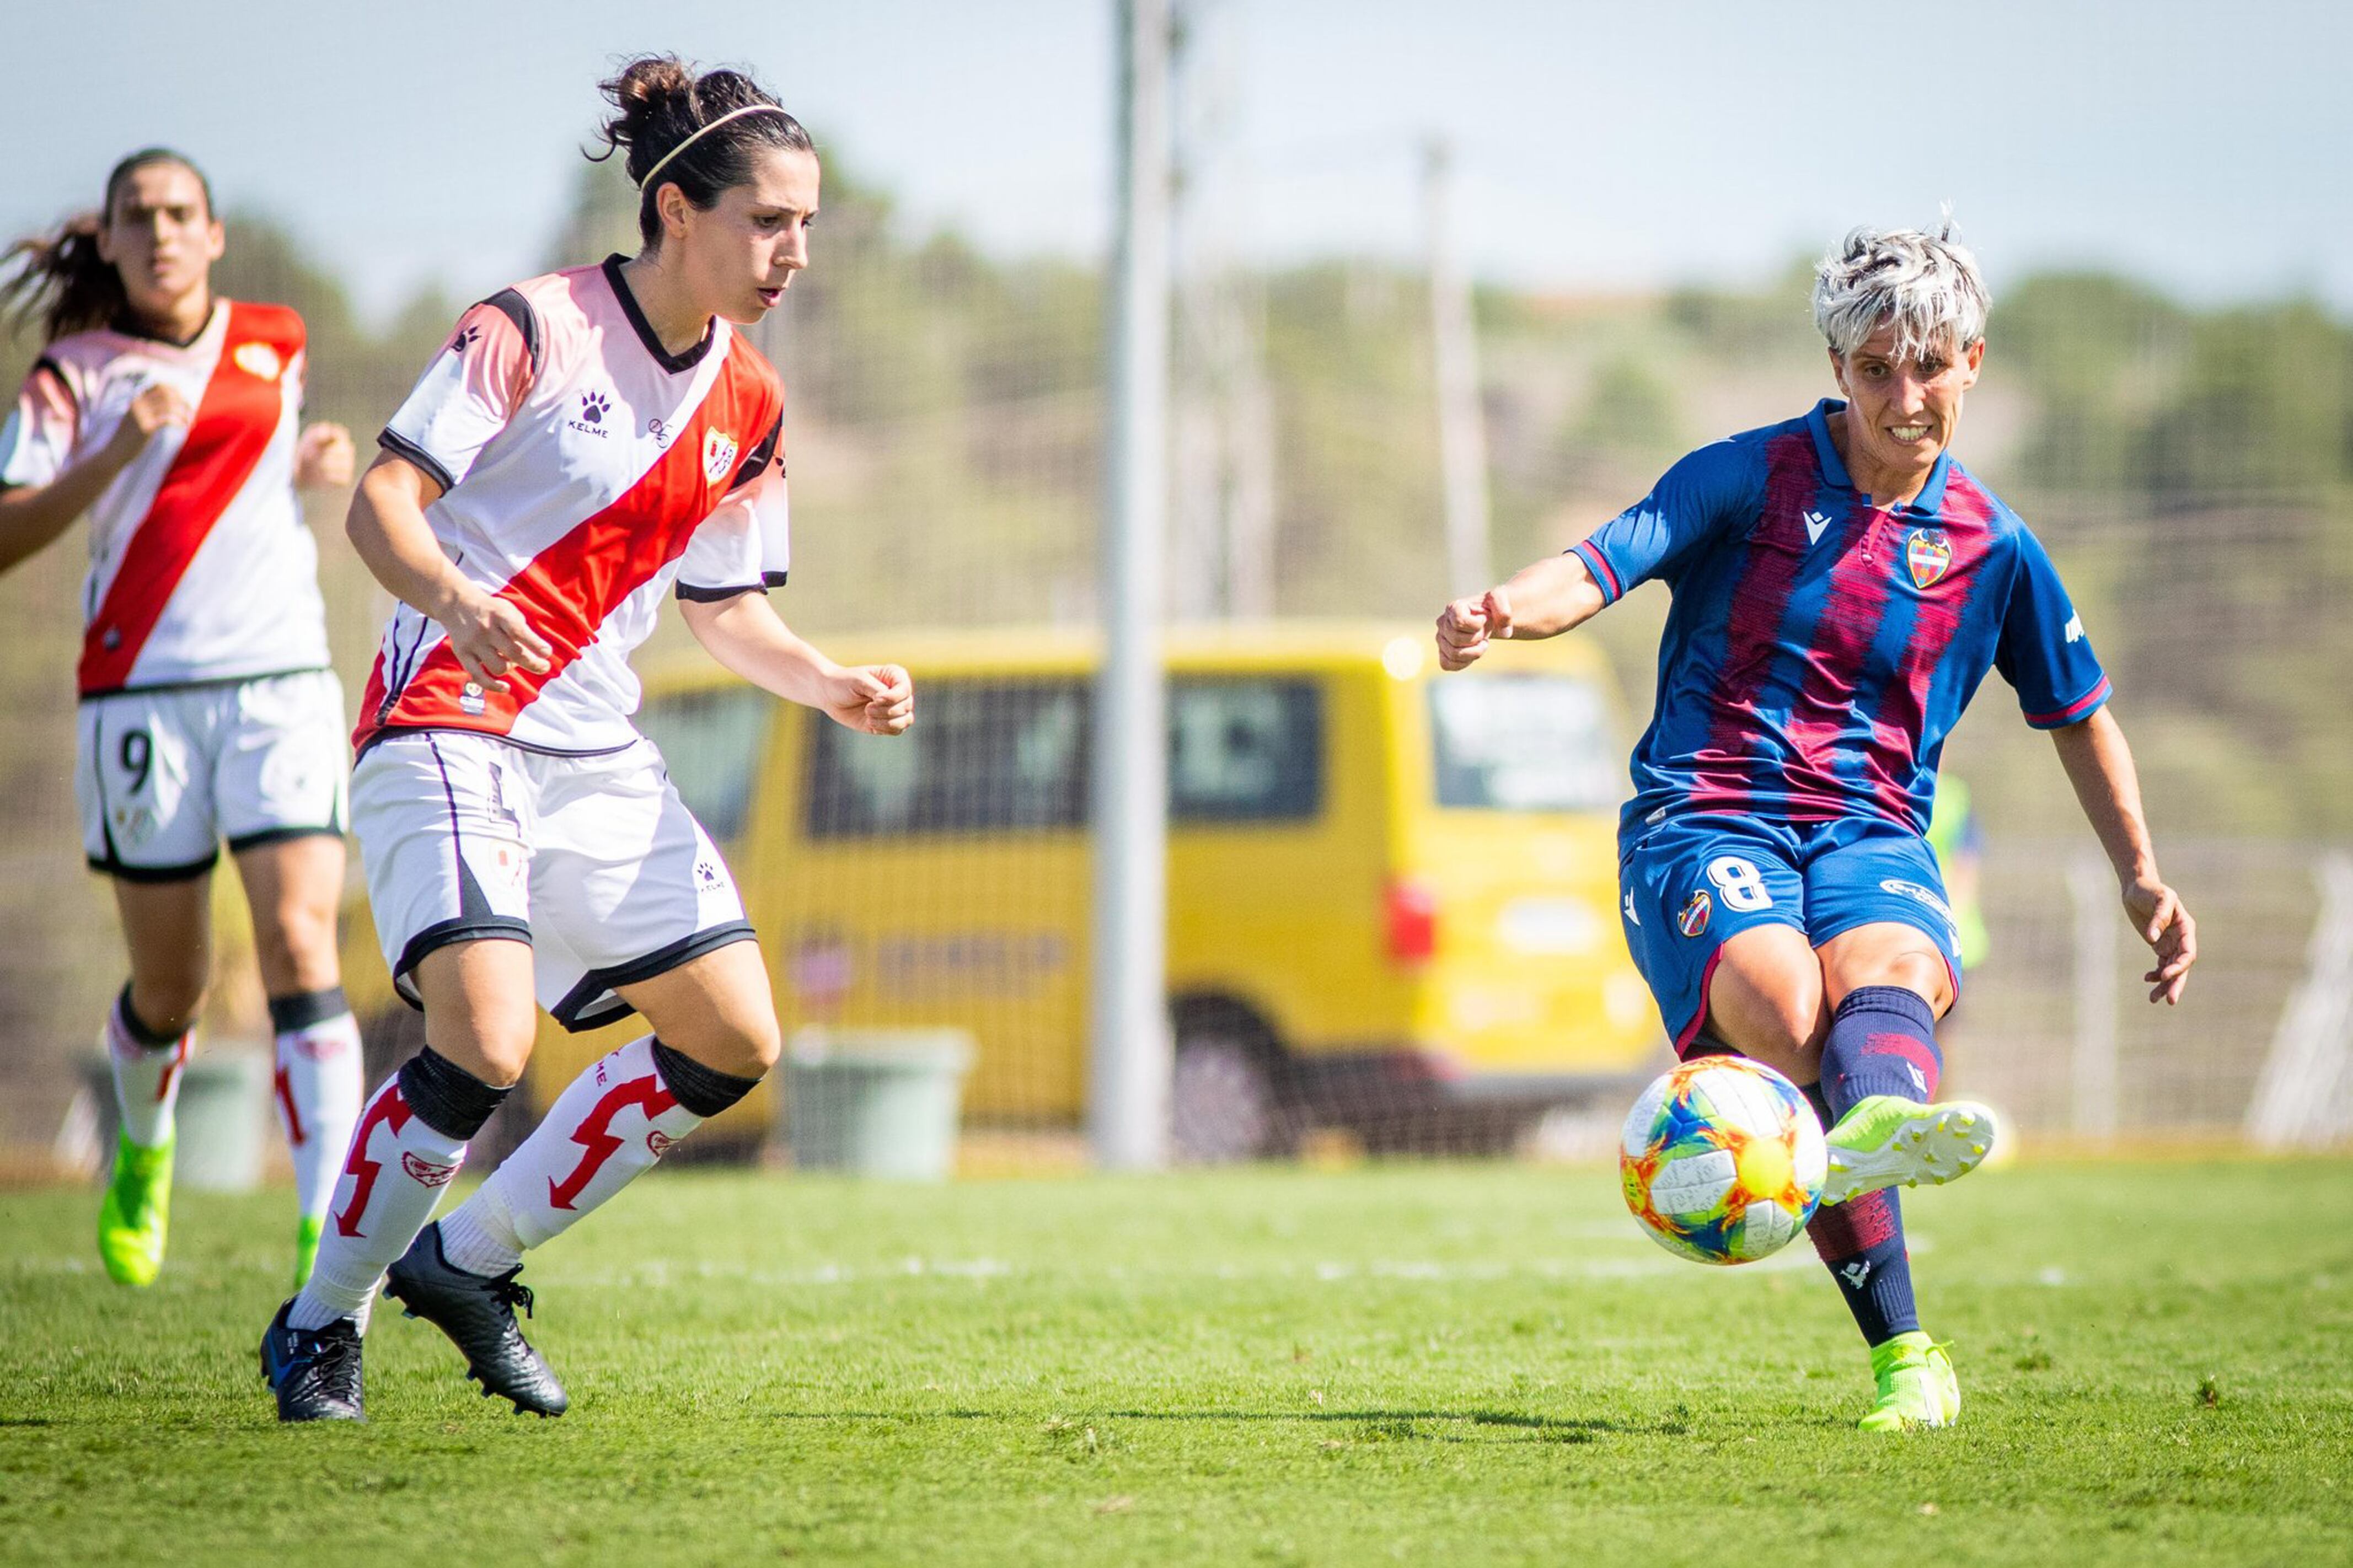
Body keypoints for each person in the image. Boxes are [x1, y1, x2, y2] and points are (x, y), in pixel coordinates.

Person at [1435, 222, 2196, 1431]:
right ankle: (1897, 1317)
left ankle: (1876, 1144)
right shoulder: (1744, 478)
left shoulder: (1991, 546)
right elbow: (1603, 560)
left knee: (1891, 977)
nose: (1905, 397)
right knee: (1789, 1016)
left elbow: (2077, 712)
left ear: (1972, 363)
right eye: (1877, 370)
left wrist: (2142, 875)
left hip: (1873, 837)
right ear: (1838, 368)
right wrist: (1500, 613)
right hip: (1705, 818)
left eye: (1929, 366)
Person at [259, 56, 915, 1424]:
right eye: (769, 221)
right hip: (446, 715)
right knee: (485, 1041)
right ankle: (321, 1325)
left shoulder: (752, 398)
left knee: (735, 1039)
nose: (795, 251)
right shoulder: (533, 328)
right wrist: (454, 596)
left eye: (807, 225)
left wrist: (826, 681)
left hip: (592, 753)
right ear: (677, 207)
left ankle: (468, 1262)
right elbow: (382, 504)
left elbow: (727, 608)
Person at [0, 149, 363, 1291]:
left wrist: (309, 462)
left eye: (180, 215)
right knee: (174, 990)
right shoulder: (74, 375)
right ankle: (143, 1156)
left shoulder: (278, 336)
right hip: (140, 695)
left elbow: (245, 470)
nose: (160, 234)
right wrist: (117, 448)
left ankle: (328, 1236)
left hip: (281, 681)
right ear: (105, 241)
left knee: (304, 941)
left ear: (214, 235)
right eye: (137, 218)